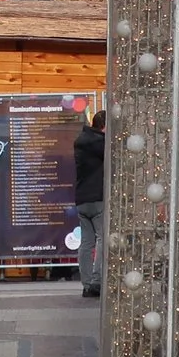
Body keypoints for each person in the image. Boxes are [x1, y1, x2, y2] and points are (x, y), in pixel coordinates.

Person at [73, 111, 106, 297]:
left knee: (86, 242)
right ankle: (96, 281)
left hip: (82, 198)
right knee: (102, 238)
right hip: (98, 198)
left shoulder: (80, 140)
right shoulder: (101, 144)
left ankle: (86, 284)